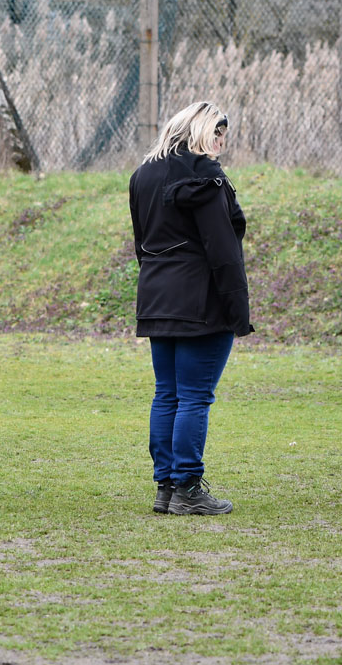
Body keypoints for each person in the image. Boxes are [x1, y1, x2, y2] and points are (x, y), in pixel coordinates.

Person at [129, 101, 252, 517]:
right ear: (197, 130)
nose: (220, 142)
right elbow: (224, 252)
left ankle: (166, 486)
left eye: (223, 134)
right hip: (202, 299)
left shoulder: (142, 175)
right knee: (195, 396)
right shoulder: (207, 178)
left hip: (157, 296)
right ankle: (187, 487)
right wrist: (238, 309)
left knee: (168, 393)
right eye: (216, 132)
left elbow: (141, 242)